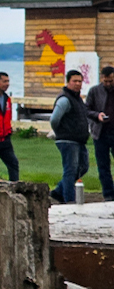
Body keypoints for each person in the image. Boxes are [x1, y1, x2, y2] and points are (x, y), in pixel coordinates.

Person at [50, 69, 94, 203]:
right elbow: (54, 119)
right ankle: (69, 199)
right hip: (68, 140)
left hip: (79, 140)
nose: (77, 84)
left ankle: (58, 191)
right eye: (74, 81)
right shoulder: (64, 99)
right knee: (70, 170)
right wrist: (60, 132)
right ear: (68, 82)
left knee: (83, 167)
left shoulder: (78, 99)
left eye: (80, 81)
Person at [85, 65, 114, 200]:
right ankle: (108, 194)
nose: (108, 84)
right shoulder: (94, 91)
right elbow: (86, 110)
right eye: (106, 81)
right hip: (100, 133)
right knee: (103, 165)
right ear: (102, 78)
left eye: (111, 81)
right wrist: (97, 116)